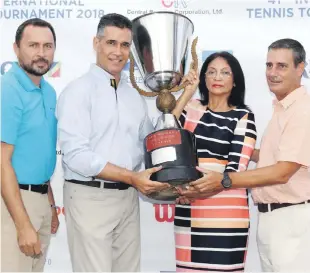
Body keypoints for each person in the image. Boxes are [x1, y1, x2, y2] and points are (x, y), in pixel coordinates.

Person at [180, 39, 310, 272]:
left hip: (291, 219)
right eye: (269, 65)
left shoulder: (302, 110)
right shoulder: (283, 109)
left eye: (281, 66)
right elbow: (271, 157)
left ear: (300, 68)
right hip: (273, 219)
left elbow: (282, 172)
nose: (273, 72)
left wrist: (224, 179)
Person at [56, 13, 169, 272]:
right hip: (89, 198)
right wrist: (131, 177)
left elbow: (152, 144)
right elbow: (76, 156)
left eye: (125, 45)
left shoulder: (134, 97)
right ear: (96, 43)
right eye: (111, 43)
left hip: (128, 199)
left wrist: (180, 97)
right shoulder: (77, 92)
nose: (118, 52)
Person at [172, 51, 257, 272]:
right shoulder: (191, 108)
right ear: (204, 78)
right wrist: (187, 93)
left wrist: (194, 191)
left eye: (224, 72)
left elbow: (235, 171)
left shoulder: (243, 116)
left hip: (226, 214)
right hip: (189, 210)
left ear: (235, 80)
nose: (217, 77)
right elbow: (166, 139)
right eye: (211, 72)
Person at [1, 18, 59, 272]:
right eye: (33, 45)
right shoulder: (8, 89)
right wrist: (23, 225)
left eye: (48, 46)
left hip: (39, 200)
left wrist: (50, 203)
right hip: (12, 204)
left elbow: (39, 153)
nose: (41, 53)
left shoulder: (48, 91)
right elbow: (2, 161)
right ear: (16, 48)